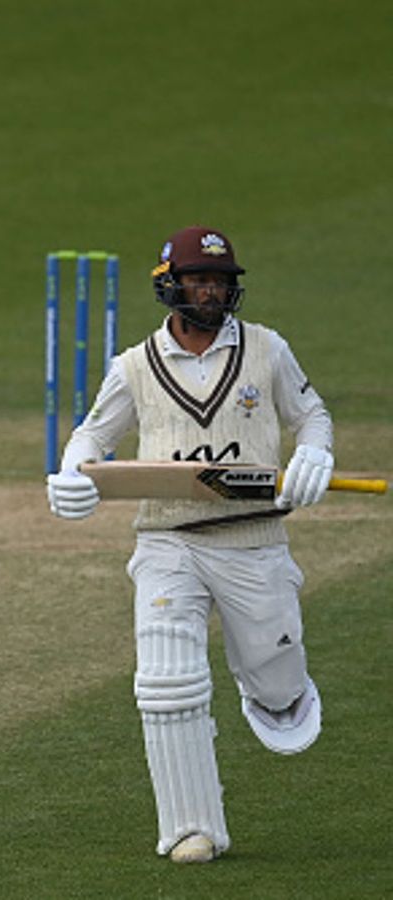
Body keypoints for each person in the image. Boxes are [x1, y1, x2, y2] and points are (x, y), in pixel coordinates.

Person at [46, 226, 335, 863]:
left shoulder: (266, 349)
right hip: (167, 541)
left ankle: (273, 689)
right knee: (166, 682)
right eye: (199, 279)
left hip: (253, 538)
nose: (210, 290)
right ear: (171, 284)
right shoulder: (133, 366)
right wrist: (73, 474)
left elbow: (310, 415)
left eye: (221, 280)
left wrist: (315, 450)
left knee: (281, 698)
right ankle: (190, 828)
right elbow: (92, 438)